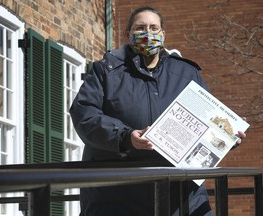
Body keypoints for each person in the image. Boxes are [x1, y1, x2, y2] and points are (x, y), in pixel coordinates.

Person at [70, 6, 246, 216]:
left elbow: (207, 118)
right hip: (117, 196)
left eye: (154, 28)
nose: (148, 33)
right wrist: (125, 136)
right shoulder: (106, 70)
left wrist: (227, 134)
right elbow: (84, 114)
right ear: (128, 34)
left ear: (163, 34)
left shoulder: (186, 72)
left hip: (181, 196)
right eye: (141, 27)